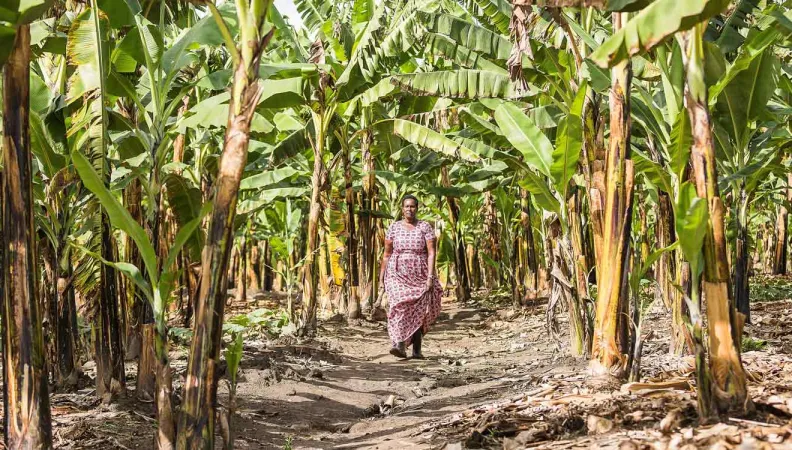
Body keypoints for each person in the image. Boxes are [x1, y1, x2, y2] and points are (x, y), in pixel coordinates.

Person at [379, 194, 442, 359]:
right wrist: (381, 278)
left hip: (419, 274)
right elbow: (386, 254)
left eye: (412, 206)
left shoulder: (425, 227)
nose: (409, 209)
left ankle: (416, 350)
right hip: (396, 273)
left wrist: (430, 277)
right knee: (399, 305)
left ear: (417, 208)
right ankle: (399, 344)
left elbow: (431, 253)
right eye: (406, 206)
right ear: (402, 209)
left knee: (418, 310)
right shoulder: (394, 228)